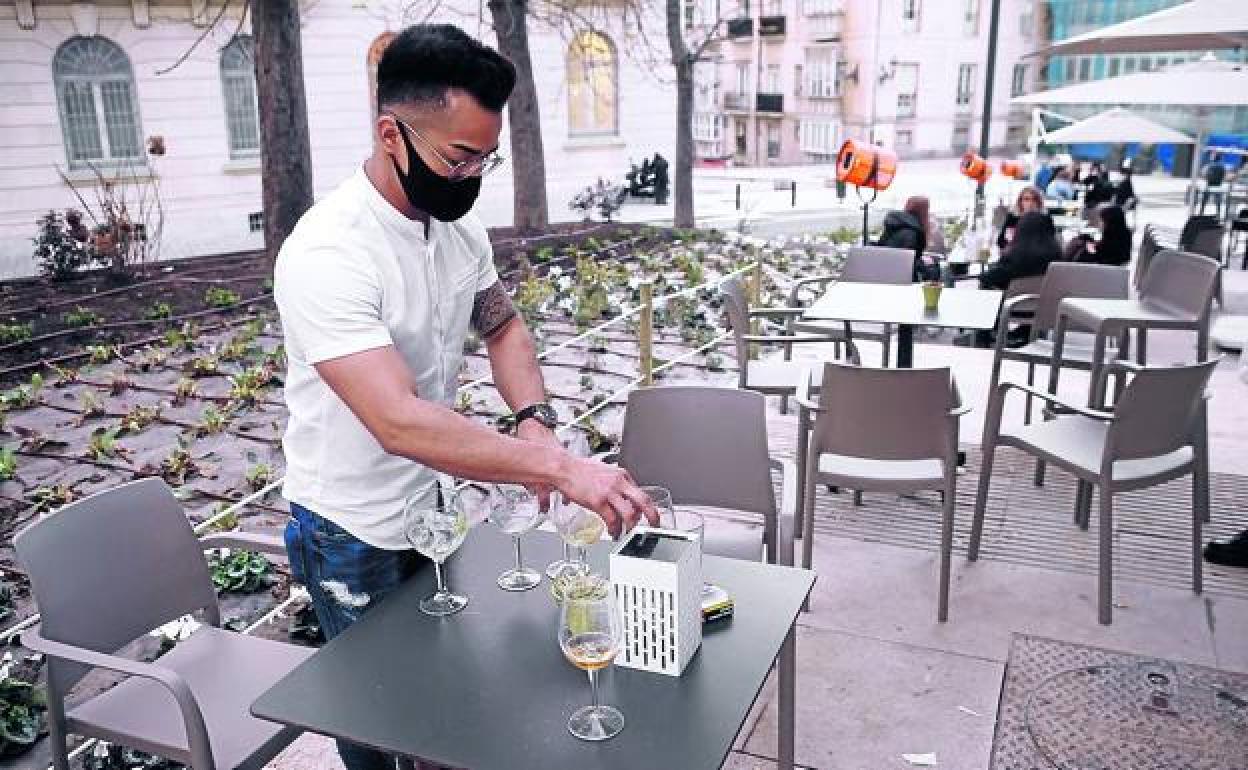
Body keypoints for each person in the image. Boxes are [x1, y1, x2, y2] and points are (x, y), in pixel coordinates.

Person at [273, 25, 657, 770]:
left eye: (488, 155)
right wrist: (558, 471)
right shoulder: (327, 253)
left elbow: (503, 324)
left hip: (434, 511)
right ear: (392, 133)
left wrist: (536, 422)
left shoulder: (456, 230)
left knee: (444, 706)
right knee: (381, 723)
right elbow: (396, 418)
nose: (475, 173)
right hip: (351, 530)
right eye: (459, 156)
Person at [958, 211, 1062, 348]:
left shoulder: (1016, 255)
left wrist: (984, 275)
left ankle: (983, 334)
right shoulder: (1057, 255)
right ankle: (1025, 333)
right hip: (1045, 309)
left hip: (1011, 307)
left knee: (987, 287)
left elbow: (991, 278)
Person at [877, 195, 938, 279]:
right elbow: (905, 261)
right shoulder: (912, 232)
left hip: (883, 272)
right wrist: (924, 263)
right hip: (900, 279)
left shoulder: (894, 225)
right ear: (924, 212)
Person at [1064, 204, 1132, 266]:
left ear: (1108, 222)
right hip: (1106, 266)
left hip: (1099, 269)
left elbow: (1099, 254)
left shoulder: (1111, 242)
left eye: (1101, 220)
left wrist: (1088, 246)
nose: (1099, 223)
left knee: (1078, 243)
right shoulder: (1122, 235)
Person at [996, 185, 1046, 250]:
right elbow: (1001, 241)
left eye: (1034, 200)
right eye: (1026, 199)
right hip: (1014, 254)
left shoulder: (1044, 220)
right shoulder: (1013, 218)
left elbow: (1049, 245)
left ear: (1039, 203)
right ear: (1020, 202)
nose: (1030, 203)